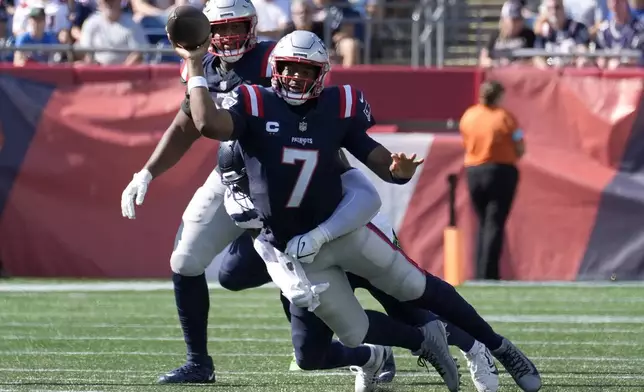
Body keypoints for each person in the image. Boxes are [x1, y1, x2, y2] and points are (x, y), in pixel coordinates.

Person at [177, 28, 542, 392]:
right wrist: (195, 67)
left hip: (343, 227)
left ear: (321, 75)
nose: (296, 77)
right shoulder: (253, 103)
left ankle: (494, 347)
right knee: (336, 339)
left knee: (415, 293)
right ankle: (396, 351)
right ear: (275, 69)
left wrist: (396, 170)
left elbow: (374, 162)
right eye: (290, 68)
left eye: (306, 71)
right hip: (299, 250)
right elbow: (208, 123)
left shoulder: (338, 106)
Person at [218, 140, 501, 392]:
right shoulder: (241, 196)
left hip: (356, 236)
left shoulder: (305, 152)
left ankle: (475, 347)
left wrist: (320, 235)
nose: (245, 189)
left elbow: (361, 195)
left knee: (410, 311)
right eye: (240, 182)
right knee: (309, 352)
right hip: (308, 259)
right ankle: (372, 357)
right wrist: (288, 281)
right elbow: (263, 244)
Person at [120, 0, 275, 384]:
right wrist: (147, 172)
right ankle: (198, 363)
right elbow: (186, 125)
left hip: (283, 181)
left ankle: (362, 349)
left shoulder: (276, 59)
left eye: (236, 28)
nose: (227, 37)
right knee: (186, 260)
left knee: (306, 280)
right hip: (234, 175)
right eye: (219, 29)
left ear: (253, 27)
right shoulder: (200, 64)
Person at [458, 80, 525, 281]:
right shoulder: (505, 117)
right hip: (501, 170)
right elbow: (520, 145)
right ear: (498, 96)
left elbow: (465, 141)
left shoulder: (468, 116)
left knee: (483, 222)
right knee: (494, 222)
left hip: (474, 171)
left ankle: (480, 271)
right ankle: (489, 273)